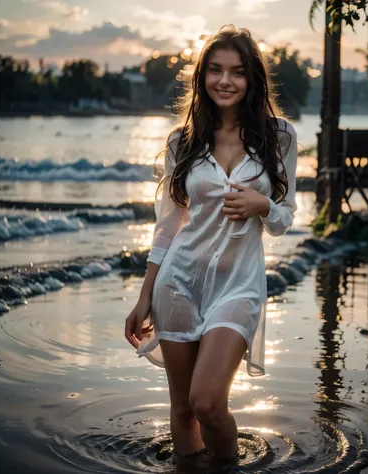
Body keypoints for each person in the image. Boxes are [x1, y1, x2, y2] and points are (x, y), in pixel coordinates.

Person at [125, 24, 297, 464]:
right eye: (216, 71)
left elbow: (283, 218)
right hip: (178, 283)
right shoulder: (181, 142)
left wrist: (262, 204)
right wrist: (144, 296)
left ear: (252, 79)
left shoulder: (279, 136)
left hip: (238, 287)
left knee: (207, 404)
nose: (226, 81)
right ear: (202, 77)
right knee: (183, 409)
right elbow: (167, 227)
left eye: (237, 72)